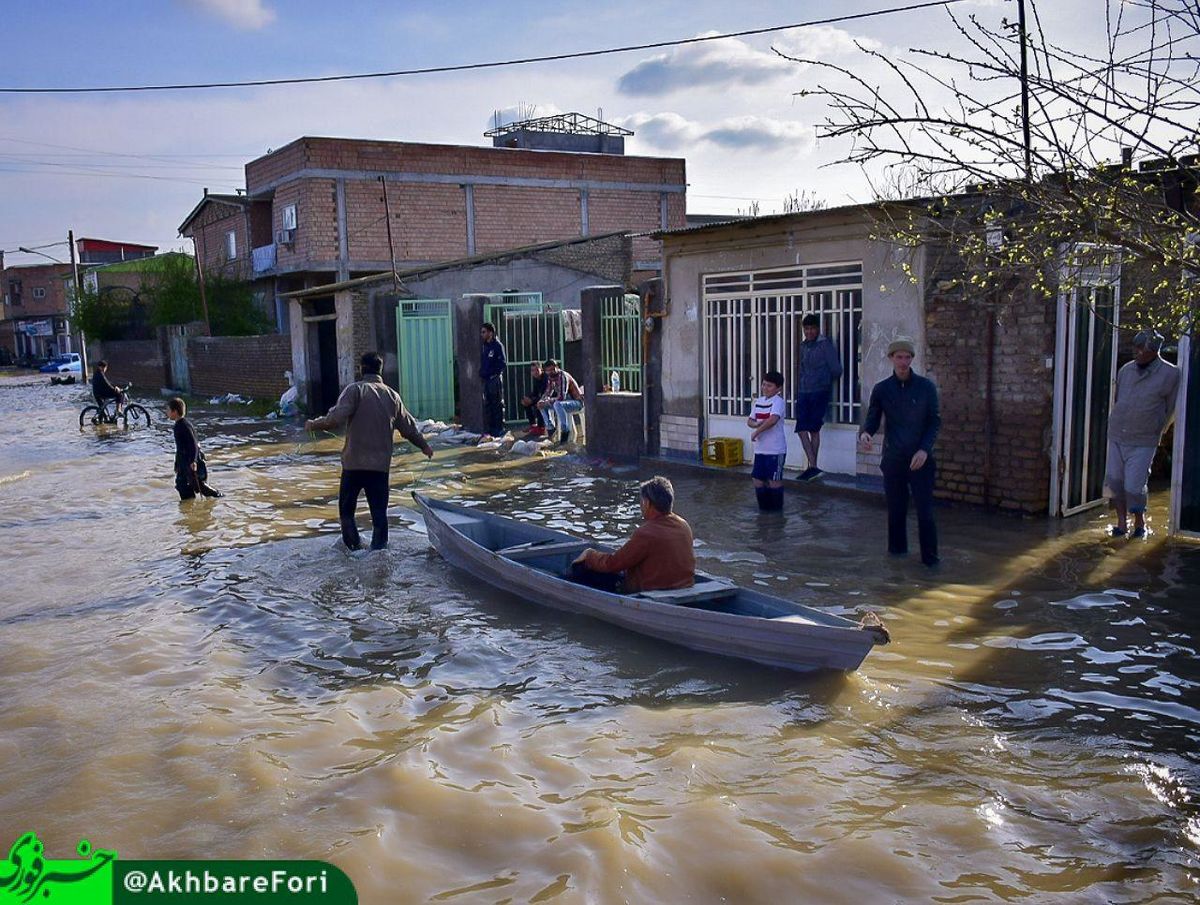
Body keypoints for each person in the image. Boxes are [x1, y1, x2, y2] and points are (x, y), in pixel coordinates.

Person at [306, 351, 434, 551]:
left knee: (347, 513)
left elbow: (334, 419)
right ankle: (378, 556)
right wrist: (425, 446)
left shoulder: (355, 390)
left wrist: (313, 425)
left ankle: (354, 550)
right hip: (379, 469)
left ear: (361, 369)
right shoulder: (393, 396)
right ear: (380, 370)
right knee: (379, 517)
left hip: (353, 466)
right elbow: (409, 428)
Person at [859, 337, 941, 566]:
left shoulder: (925, 387)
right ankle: (896, 563)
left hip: (920, 460)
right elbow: (873, 419)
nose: (903, 362)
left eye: (907, 357)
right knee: (895, 513)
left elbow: (934, 422)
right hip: (894, 458)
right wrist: (866, 434)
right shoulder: (883, 389)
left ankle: (931, 563)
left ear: (912, 359)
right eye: (899, 357)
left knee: (925, 513)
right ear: (891, 359)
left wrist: (924, 450)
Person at [1103, 329, 1181, 538]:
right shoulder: (1126, 370)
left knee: (1134, 485)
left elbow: (1172, 408)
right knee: (1114, 481)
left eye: (1141, 349)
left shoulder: (1171, 374)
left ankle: (1139, 522)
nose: (1137, 353)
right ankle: (1121, 523)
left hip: (1144, 438)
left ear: (1154, 351)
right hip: (1118, 433)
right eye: (1135, 348)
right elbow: (1118, 398)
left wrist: (1159, 431)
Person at [571, 476, 695, 593]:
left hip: (651, 590)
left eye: (641, 501)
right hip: (684, 586)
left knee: (583, 570)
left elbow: (613, 564)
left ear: (647, 503)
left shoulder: (647, 532)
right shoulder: (684, 525)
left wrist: (589, 555)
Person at [794, 314, 843, 481]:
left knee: (814, 429)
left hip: (819, 391)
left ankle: (812, 468)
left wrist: (823, 380)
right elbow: (801, 367)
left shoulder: (825, 345)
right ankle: (813, 467)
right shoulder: (803, 346)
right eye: (806, 329)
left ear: (817, 328)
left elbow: (836, 369)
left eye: (812, 328)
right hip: (803, 391)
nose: (809, 332)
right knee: (801, 429)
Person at [167, 397, 222, 500]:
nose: (167, 413)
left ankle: (217, 495)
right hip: (183, 461)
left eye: (168, 410)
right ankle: (189, 506)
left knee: (197, 484)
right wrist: (177, 463)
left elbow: (193, 444)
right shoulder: (178, 425)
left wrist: (194, 461)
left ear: (175, 411)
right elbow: (180, 448)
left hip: (190, 460)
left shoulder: (184, 425)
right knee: (182, 484)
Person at [747, 371, 787, 511]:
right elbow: (750, 420)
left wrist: (757, 432)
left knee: (774, 481)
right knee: (757, 480)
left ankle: (777, 513)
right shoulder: (759, 401)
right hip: (760, 449)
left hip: (775, 449)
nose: (765, 388)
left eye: (769, 386)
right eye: (763, 384)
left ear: (778, 388)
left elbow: (773, 420)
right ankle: (763, 510)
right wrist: (756, 425)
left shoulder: (778, 401)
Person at [537, 359, 584, 444]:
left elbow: (562, 396)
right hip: (564, 403)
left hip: (577, 402)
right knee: (541, 405)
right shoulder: (550, 378)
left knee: (557, 404)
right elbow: (548, 392)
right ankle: (550, 428)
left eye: (552, 370)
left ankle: (565, 431)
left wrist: (549, 400)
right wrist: (542, 401)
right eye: (548, 371)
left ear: (557, 368)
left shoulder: (563, 376)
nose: (551, 372)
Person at [480, 322, 507, 438]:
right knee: (488, 405)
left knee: (497, 404)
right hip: (487, 380)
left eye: (484, 332)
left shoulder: (497, 346)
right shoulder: (486, 346)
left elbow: (502, 363)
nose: (482, 334)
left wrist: (492, 374)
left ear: (490, 332)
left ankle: (499, 428)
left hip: (494, 379)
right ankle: (491, 429)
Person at [520, 361, 549, 437]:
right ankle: (533, 425)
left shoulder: (546, 378)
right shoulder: (536, 379)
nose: (534, 372)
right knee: (525, 403)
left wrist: (532, 400)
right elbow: (535, 392)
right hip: (541, 397)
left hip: (549, 398)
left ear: (541, 370)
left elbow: (545, 394)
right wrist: (528, 398)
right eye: (532, 370)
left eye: (536, 370)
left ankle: (541, 427)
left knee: (538, 403)